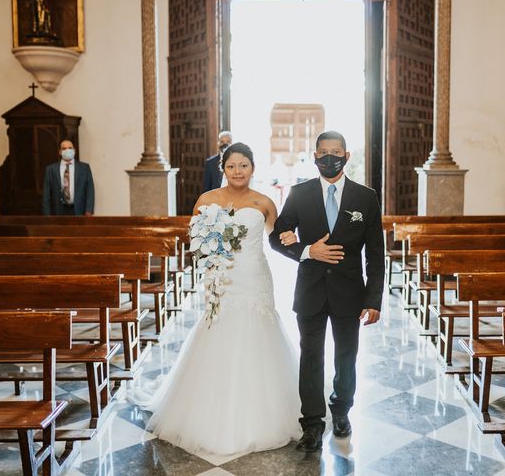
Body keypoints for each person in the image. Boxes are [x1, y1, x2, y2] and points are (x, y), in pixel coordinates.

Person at [136, 142, 301, 456]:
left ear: (253, 167)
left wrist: (293, 239)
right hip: (222, 280)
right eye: (231, 166)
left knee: (258, 330)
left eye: (244, 165)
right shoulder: (207, 200)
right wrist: (211, 257)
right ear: (222, 169)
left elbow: (277, 239)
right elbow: (196, 241)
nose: (238, 172)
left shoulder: (264, 202)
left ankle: (263, 409)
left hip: (254, 277)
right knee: (219, 331)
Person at [269, 130, 385, 453]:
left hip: (350, 292)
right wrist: (307, 251)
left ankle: (342, 409)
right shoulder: (299, 193)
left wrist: (374, 299)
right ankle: (312, 423)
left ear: (346, 157)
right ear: (315, 156)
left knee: (346, 357)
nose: (329, 157)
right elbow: (277, 237)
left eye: (336, 152)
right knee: (311, 357)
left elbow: (376, 253)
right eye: (323, 152)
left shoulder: (366, 198)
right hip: (311, 291)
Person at [42, 139, 94, 216]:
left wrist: (89, 210)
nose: (67, 150)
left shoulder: (84, 168)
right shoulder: (51, 169)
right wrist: (47, 214)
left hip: (79, 211)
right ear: (60, 152)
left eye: (70, 148)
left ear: (74, 150)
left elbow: (90, 189)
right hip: (58, 211)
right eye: (64, 148)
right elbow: (46, 194)